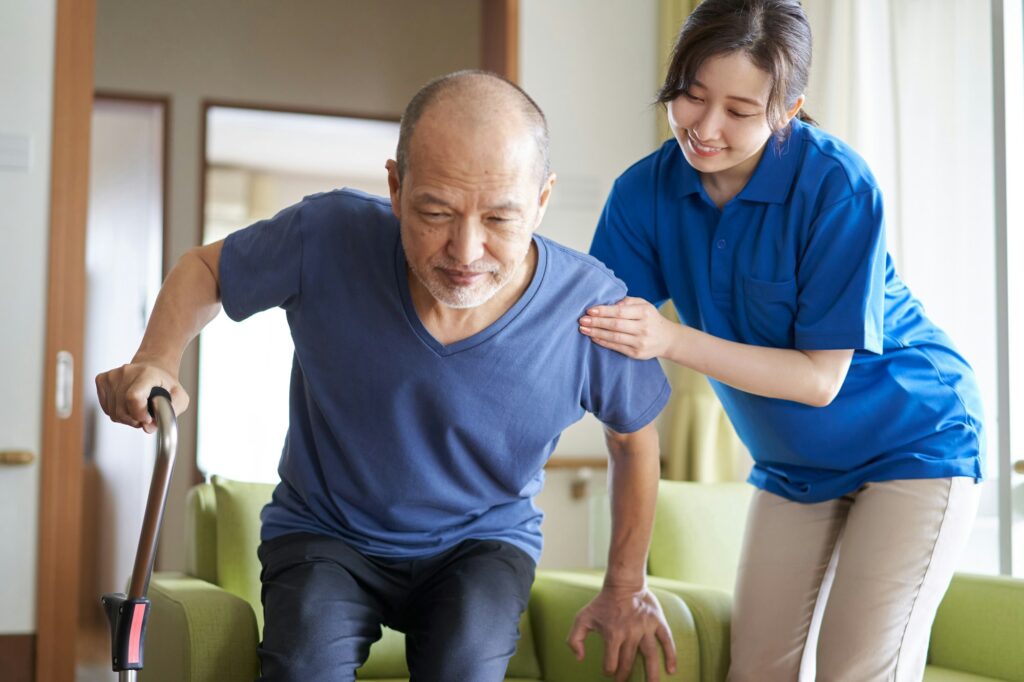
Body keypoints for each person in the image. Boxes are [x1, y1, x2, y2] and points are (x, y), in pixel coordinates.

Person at [95, 71, 679, 682]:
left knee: (464, 667)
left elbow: (632, 441)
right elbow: (206, 269)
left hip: (480, 544)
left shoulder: (590, 308)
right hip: (326, 533)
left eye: (499, 219)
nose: (466, 251)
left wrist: (625, 584)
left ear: (541, 200)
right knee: (303, 669)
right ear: (396, 188)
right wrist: (158, 357)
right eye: (436, 212)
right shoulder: (328, 235)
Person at [579, 2, 984, 680]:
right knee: (758, 671)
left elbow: (820, 379)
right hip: (793, 467)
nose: (705, 127)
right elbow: (612, 355)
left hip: (913, 441)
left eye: (739, 110)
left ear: (788, 110)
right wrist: (625, 578)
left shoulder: (837, 186)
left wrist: (671, 339)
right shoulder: (643, 194)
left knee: (856, 670)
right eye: (692, 95)